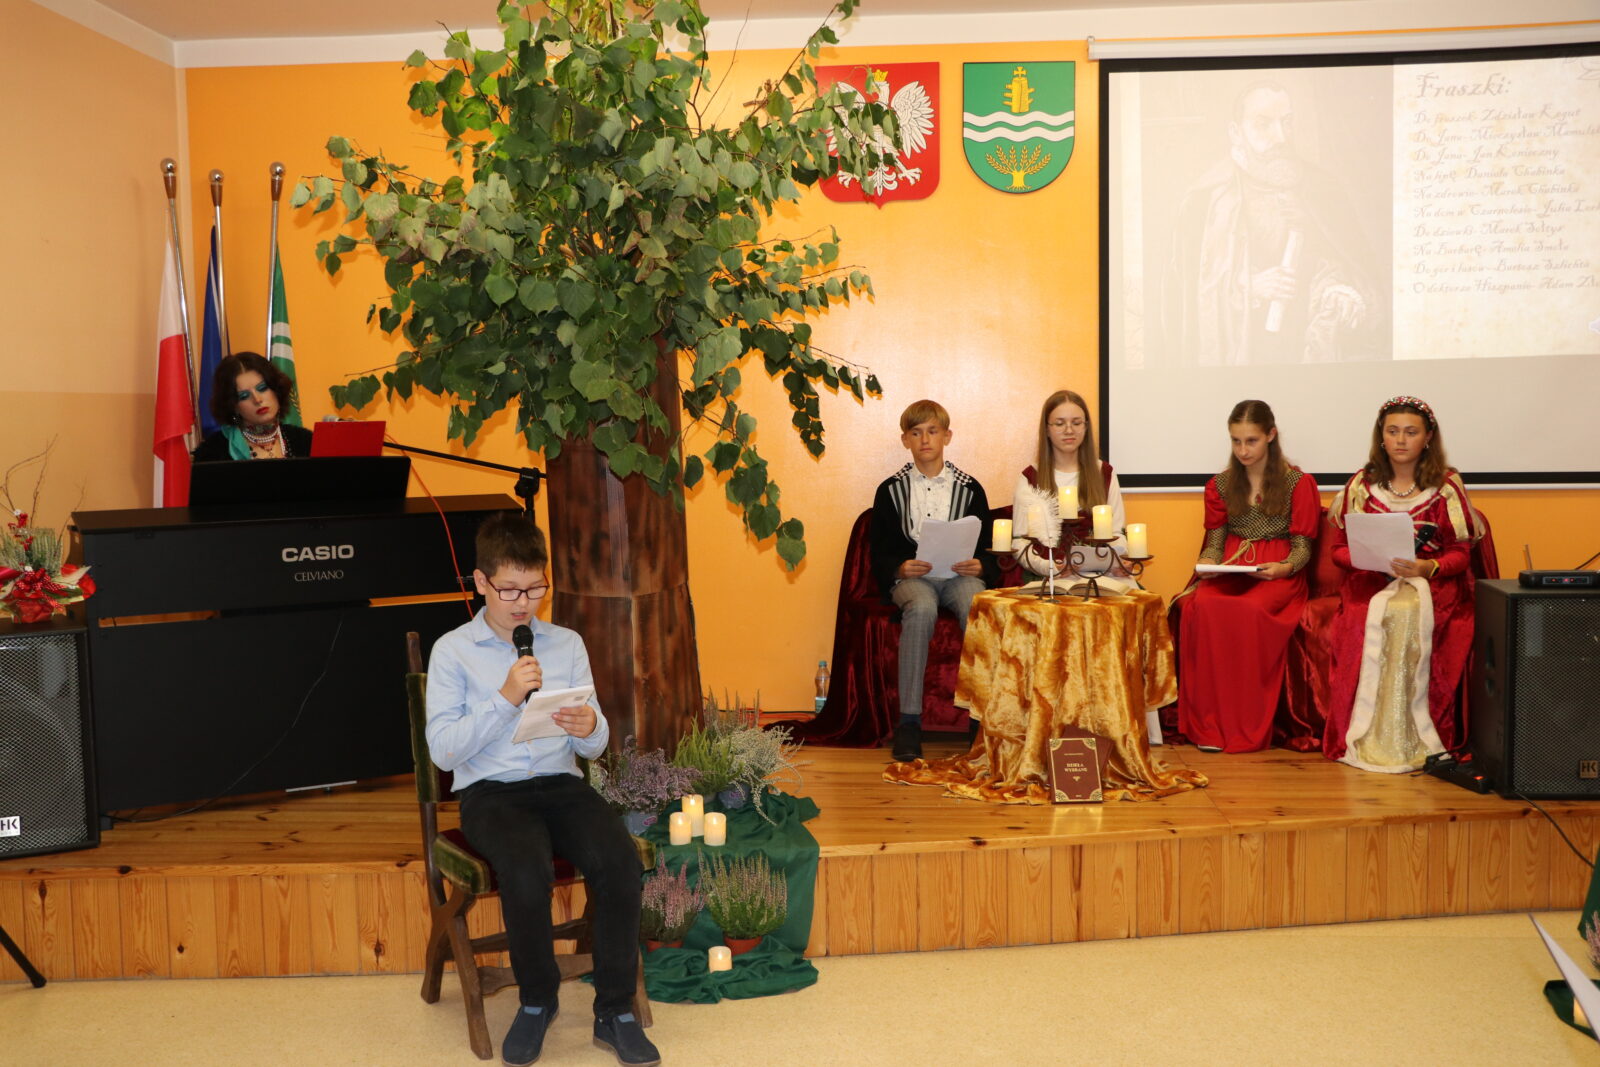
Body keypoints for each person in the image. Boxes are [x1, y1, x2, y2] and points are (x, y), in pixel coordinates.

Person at [425, 512, 658, 1067]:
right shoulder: (453, 651)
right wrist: (505, 698)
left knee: (620, 862)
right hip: (492, 793)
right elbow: (444, 752)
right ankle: (536, 1000)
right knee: (526, 871)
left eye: (535, 589)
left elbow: (595, 745)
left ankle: (616, 1010)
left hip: (561, 785)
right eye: (510, 590)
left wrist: (589, 726)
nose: (523, 604)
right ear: (480, 582)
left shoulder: (566, 643)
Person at [1161, 81, 1380, 366]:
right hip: (1242, 357)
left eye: (1287, 123)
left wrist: (1338, 291)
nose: (1281, 138)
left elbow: (1351, 265)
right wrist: (1248, 285)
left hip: (1307, 350)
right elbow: (1186, 295)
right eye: (1263, 124)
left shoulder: (1323, 189)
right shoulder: (1202, 202)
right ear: (1236, 133)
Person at [1322, 397, 1480, 773]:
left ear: (1428, 438)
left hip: (1431, 583)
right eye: (1392, 431)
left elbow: (1460, 554)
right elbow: (1338, 550)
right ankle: (1364, 732)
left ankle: (1413, 735)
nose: (1401, 440)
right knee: (1369, 611)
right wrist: (1365, 557)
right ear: (1381, 437)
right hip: (1370, 579)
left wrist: (1428, 567)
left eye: (1411, 432)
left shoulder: (1446, 487)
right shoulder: (1361, 485)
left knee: (1407, 610)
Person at [1176, 400, 1320, 752]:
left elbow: (1302, 547)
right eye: (1236, 441)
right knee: (1204, 606)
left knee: (1250, 610)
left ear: (1271, 435)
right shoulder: (1221, 484)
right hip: (1234, 567)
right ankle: (1210, 726)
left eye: (1251, 441)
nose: (1243, 450)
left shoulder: (1298, 483)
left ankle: (1245, 725)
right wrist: (1207, 565)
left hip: (1277, 572)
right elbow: (1215, 542)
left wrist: (1283, 567)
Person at [870, 399, 1000, 762]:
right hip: (915, 580)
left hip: (959, 576)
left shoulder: (970, 488)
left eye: (932, 431)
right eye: (916, 433)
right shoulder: (890, 490)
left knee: (977, 604)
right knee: (923, 607)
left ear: (947, 436)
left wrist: (981, 566)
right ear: (905, 440)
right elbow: (878, 550)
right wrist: (899, 568)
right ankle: (909, 722)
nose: (925, 439)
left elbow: (989, 546)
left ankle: (980, 720)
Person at [1008, 389, 1126, 579]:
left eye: (1076, 423)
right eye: (1060, 423)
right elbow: (1019, 542)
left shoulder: (1104, 473)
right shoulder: (1030, 477)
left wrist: (1116, 561)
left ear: (1086, 427)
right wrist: (1050, 567)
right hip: (1048, 576)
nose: (1069, 430)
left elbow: (1117, 533)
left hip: (1098, 574)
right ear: (1047, 429)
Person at [192, 351, 312, 461]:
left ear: (276, 389)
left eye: (262, 388)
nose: (257, 399)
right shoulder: (212, 452)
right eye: (244, 396)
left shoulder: (306, 441)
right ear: (233, 406)